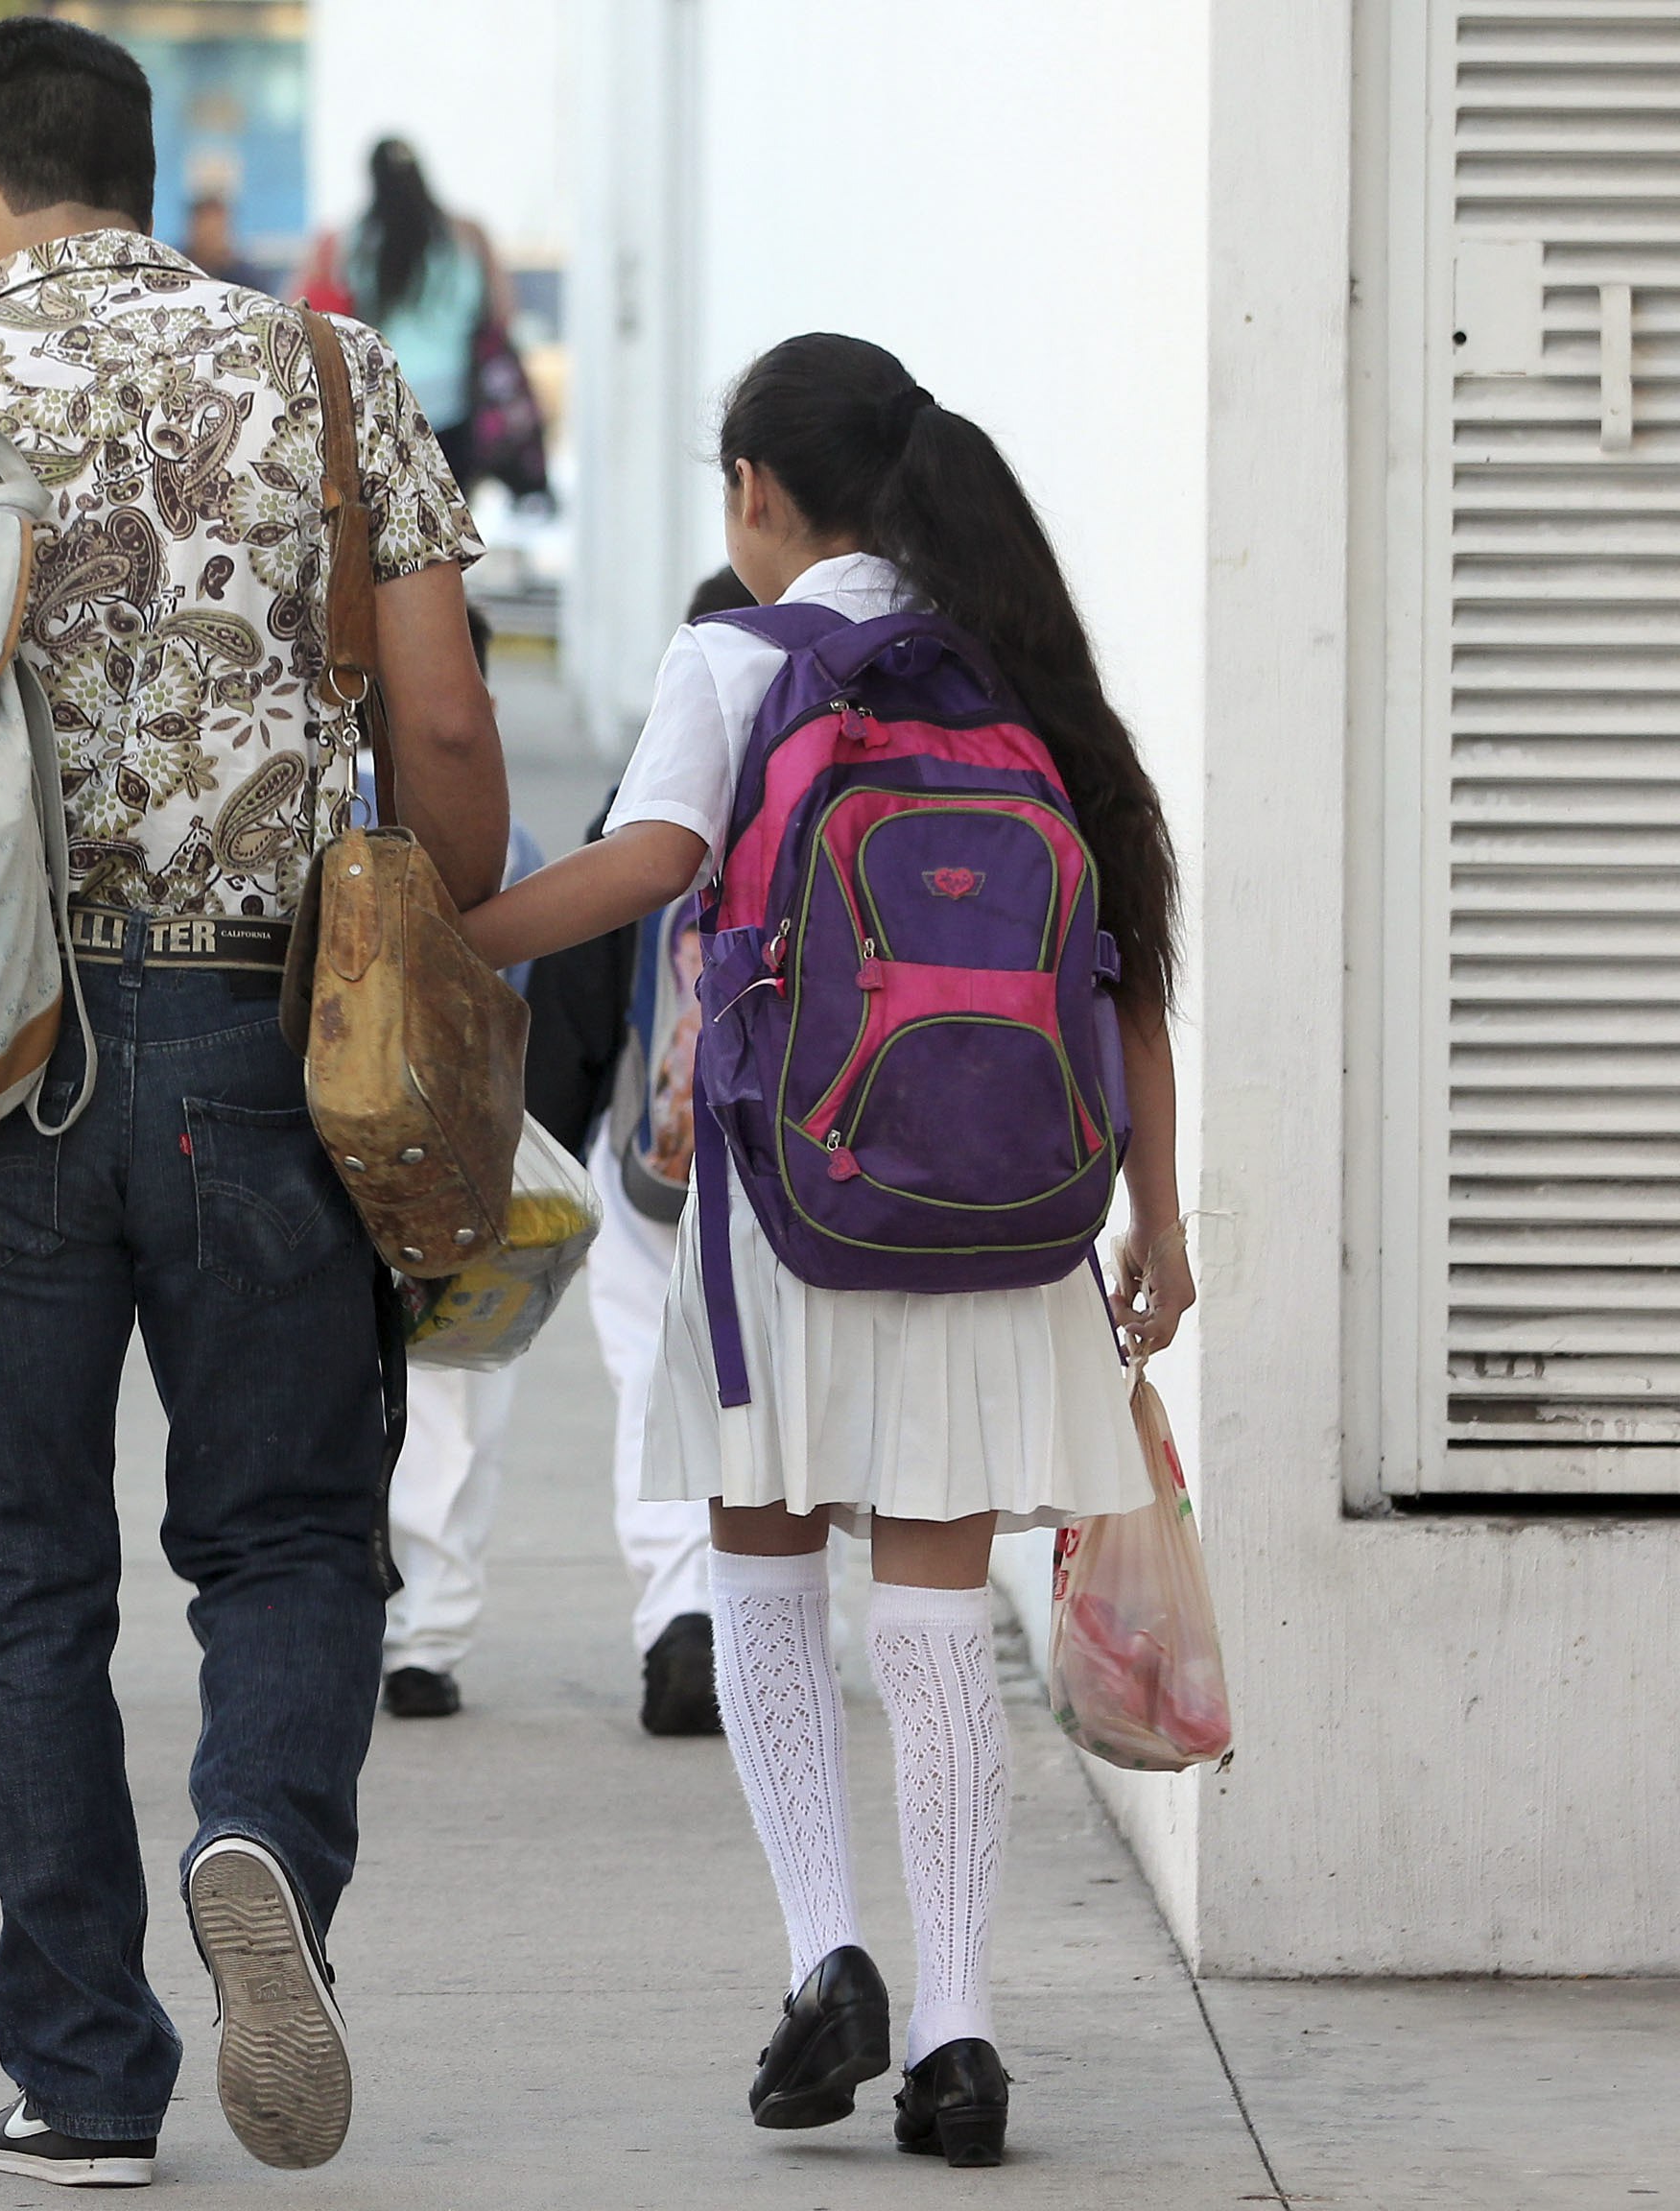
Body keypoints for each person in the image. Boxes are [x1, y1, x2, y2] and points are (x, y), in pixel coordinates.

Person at [0, 18, 504, 2185]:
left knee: (7, 1577)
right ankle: (257, 1844)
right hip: (264, 1046)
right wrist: (432, 936)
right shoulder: (329, 381)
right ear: (134, 172)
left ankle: (81, 2075)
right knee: (280, 1534)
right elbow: (438, 737)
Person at [458, 334, 1193, 2167]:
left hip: (796, 1207)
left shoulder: (736, 659)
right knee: (940, 1622)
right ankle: (959, 2032)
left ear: (757, 496)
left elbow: (639, 869)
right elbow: (1132, 971)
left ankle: (827, 1961)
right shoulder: (1028, 669)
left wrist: (448, 928)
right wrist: (1160, 1225)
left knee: (766, 1567)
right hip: (1009, 1219)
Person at [585, 566, 760, 1741]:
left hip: (668, 1155)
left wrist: (532, 1137)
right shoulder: (863, 764)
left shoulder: (654, 799)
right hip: (821, 1167)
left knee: (654, 1373)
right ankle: (768, 1638)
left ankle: (680, 1614)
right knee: (791, 1395)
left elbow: (588, 986)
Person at [376, 606, 541, 1724]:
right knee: (454, 1396)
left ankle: (347, 1603)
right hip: (461, 1161)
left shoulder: (317, 808)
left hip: (313, 1143)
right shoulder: (506, 841)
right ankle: (425, 1634)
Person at [309, 141, 513, 493]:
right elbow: (504, 313)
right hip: (457, 408)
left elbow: (304, 311)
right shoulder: (468, 235)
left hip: (384, 411)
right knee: (453, 532)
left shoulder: (346, 242)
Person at [181, 191, 266, 292]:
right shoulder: (174, 269)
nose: (210, 240)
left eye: (215, 231)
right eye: (205, 230)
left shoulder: (246, 279)